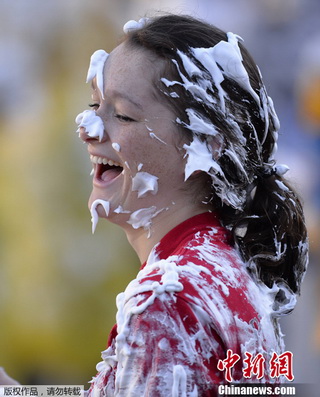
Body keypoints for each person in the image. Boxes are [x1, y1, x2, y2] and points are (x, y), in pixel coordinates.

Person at [1, 14, 308, 396]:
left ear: (205, 144)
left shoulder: (165, 302)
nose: (87, 129)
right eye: (94, 105)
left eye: (123, 114)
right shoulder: (223, 264)